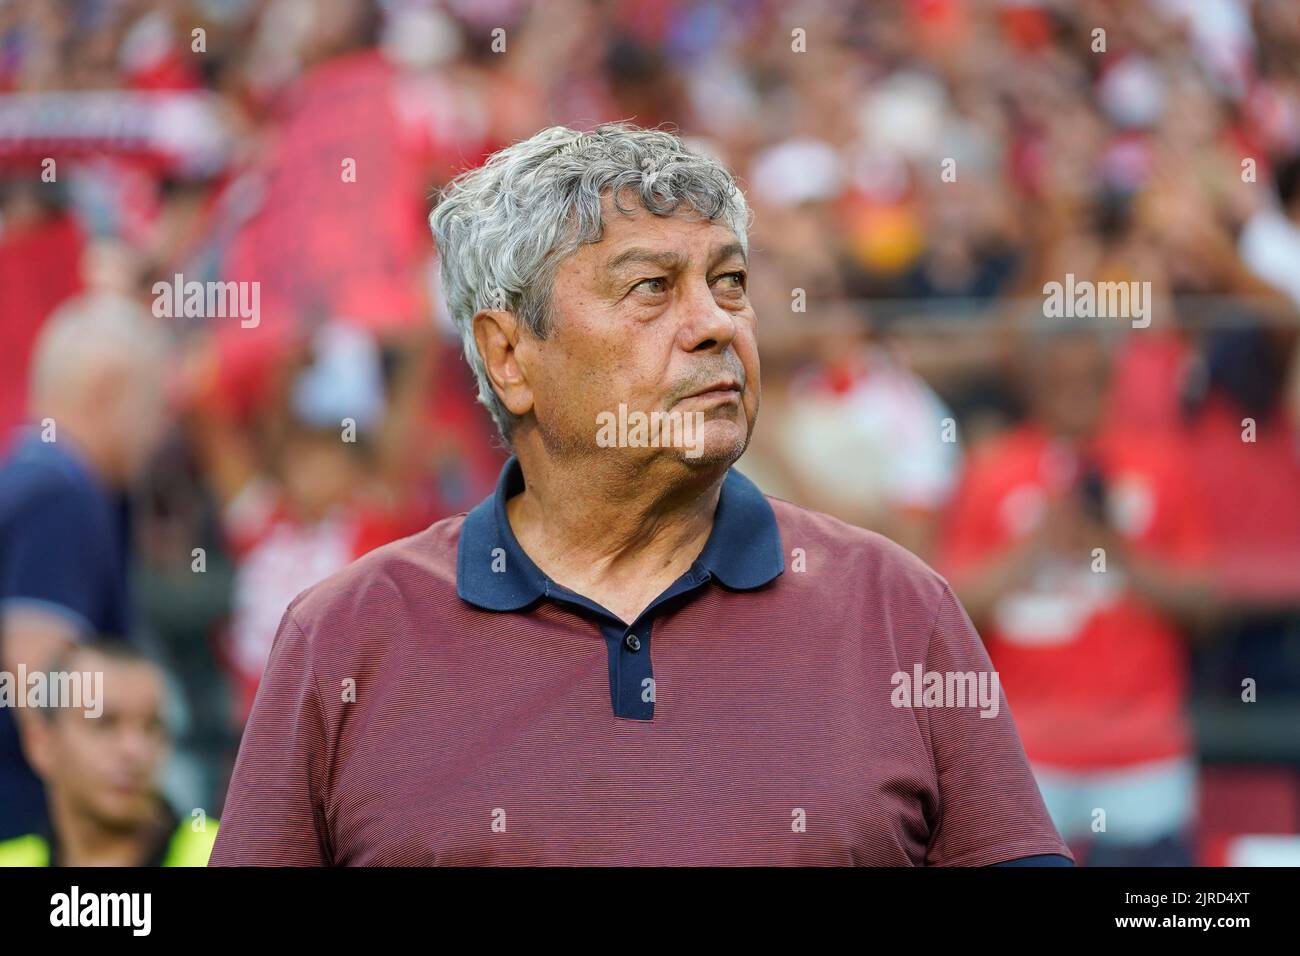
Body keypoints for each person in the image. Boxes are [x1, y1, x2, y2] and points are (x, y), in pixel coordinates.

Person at [211, 123, 1070, 866]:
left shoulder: (899, 609)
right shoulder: (346, 637)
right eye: (652, 288)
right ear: (509, 357)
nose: (716, 323)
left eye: (729, 282)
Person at [940, 319, 1215, 865]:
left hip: (1142, 753)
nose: (1076, 395)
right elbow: (949, 613)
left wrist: (1114, 548)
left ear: (1112, 378)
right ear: (1035, 384)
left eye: (1090, 379)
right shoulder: (992, 470)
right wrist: (1038, 544)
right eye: (1061, 381)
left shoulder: (1161, 465)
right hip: (1024, 754)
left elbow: (1205, 605)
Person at [0, 293, 169, 840]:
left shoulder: (28, 477)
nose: (158, 432)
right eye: (154, 406)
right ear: (106, 388)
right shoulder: (62, 495)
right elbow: (39, 684)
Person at [0, 639, 217, 866]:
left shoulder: (230, 853)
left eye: (153, 726)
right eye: (104, 724)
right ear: (41, 744)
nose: (134, 749)